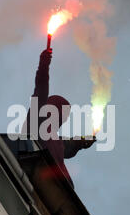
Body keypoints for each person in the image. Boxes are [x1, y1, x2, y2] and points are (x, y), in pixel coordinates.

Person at [22, 48, 95, 187]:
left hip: (60, 189)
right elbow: (41, 88)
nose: (64, 119)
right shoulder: (36, 121)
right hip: (40, 182)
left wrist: (83, 142)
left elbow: (69, 145)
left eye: (66, 116)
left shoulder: (55, 139)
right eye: (63, 114)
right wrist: (44, 65)